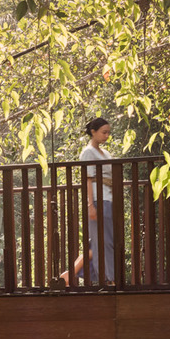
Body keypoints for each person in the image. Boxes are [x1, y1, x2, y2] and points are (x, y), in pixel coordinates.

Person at [57, 117, 116, 286]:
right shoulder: (88, 152)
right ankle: (108, 279)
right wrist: (90, 205)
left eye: (108, 133)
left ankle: (69, 275)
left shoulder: (106, 153)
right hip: (98, 198)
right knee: (102, 242)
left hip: (109, 198)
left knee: (104, 241)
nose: (106, 136)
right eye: (103, 132)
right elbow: (87, 179)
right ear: (93, 132)